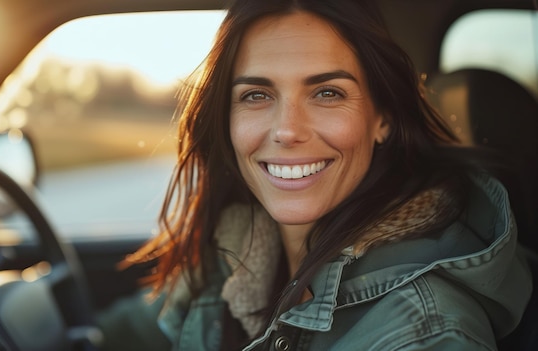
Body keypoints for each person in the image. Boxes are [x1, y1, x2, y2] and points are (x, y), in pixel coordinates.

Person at [97, 0, 532, 349]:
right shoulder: (235, 252)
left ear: (382, 118)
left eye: (327, 93)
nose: (288, 130)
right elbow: (131, 330)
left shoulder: (423, 332)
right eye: (255, 94)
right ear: (225, 121)